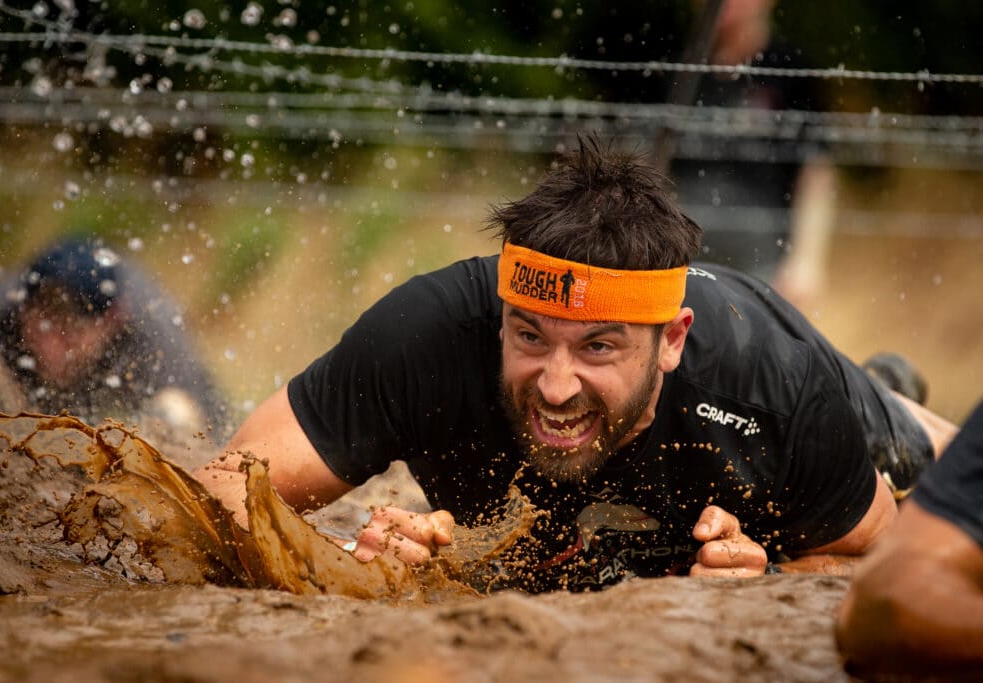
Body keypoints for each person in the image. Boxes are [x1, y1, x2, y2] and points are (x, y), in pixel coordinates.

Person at [195, 137, 955, 592]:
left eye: (598, 346)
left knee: (935, 465)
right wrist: (347, 568)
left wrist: (777, 577)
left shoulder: (770, 383)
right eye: (530, 337)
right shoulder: (427, 335)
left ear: (671, 339)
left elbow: (884, 564)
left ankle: (886, 389)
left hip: (806, 375)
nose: (555, 388)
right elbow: (222, 485)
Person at [0, 236, 229, 436]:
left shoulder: (154, 333)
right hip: (6, 389)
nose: (52, 349)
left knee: (178, 417)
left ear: (112, 322)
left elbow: (213, 429)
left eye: (71, 334)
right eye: (41, 329)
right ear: (23, 311)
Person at [669, 0, 838, 309]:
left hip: (765, 262)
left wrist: (806, 261)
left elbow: (816, 173)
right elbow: (650, 165)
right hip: (680, 260)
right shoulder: (674, 67)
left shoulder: (792, 70)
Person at [835, 401, 983, 677]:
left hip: (868, 410)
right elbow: (884, 598)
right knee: (932, 453)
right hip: (873, 419)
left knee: (935, 446)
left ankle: (891, 378)